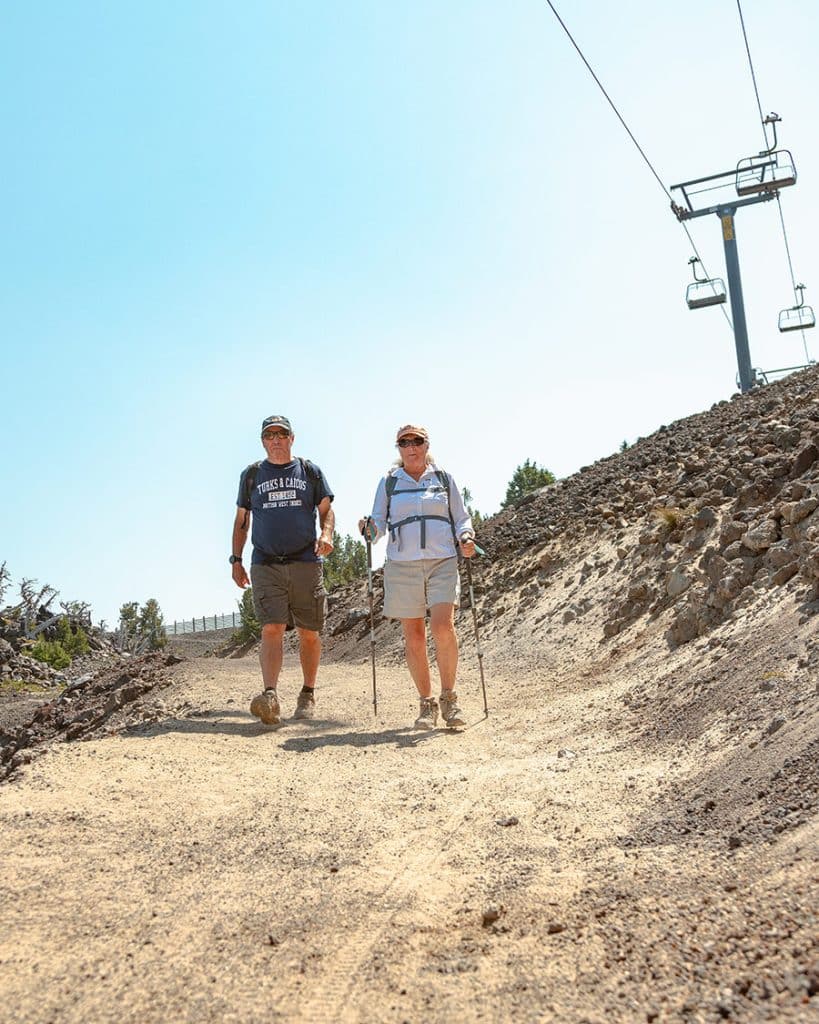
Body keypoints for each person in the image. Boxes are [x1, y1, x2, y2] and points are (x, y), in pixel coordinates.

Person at [359, 424, 476, 729]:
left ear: (426, 445)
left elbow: (461, 517)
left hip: (442, 560)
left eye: (417, 441)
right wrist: (369, 529)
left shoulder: (443, 478)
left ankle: (450, 699)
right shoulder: (388, 483)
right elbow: (378, 525)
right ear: (398, 448)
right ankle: (427, 704)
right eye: (404, 442)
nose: (411, 446)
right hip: (402, 564)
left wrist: (466, 536)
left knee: (442, 626)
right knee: (413, 635)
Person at [231, 415, 335, 725]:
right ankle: (270, 695)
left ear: (292, 438)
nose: (276, 439)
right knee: (271, 628)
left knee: (309, 633)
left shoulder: (309, 471)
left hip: (305, 560)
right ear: (263, 441)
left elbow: (327, 512)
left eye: (281, 434)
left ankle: (307, 694)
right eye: (270, 435)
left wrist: (326, 535)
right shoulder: (251, 475)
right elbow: (241, 521)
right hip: (266, 562)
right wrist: (235, 560)